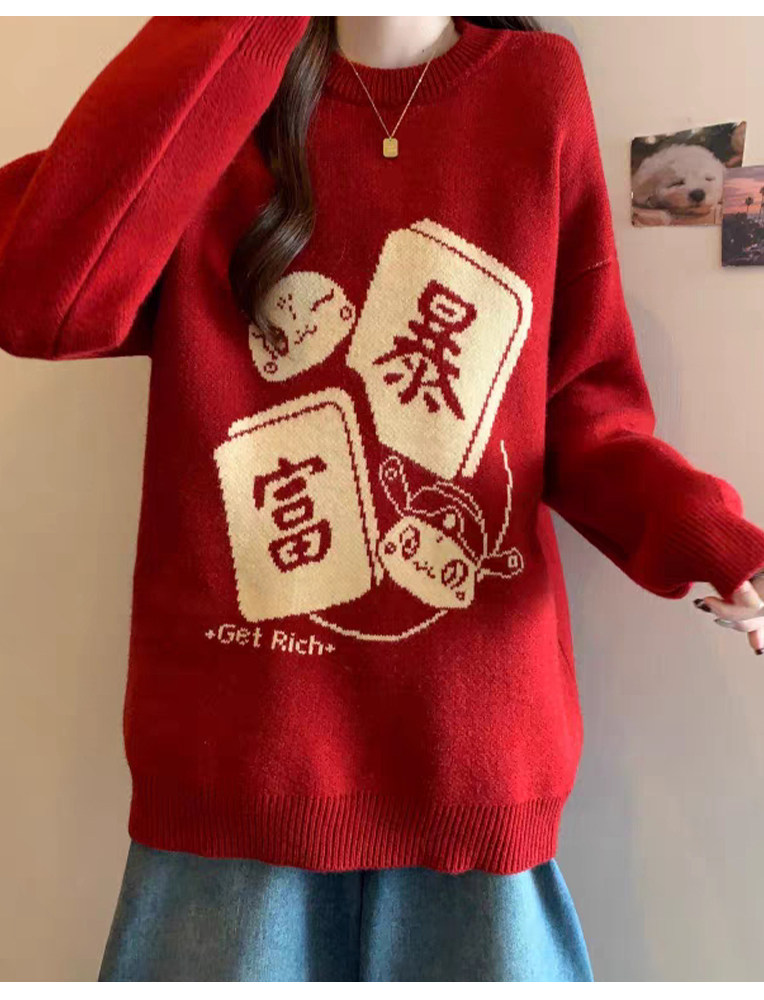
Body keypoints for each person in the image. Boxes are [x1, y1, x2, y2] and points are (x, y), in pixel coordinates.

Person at [1, 15, 763, 983]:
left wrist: (715, 540)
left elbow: (578, 409)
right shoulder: (222, 81)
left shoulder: (535, 88)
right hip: (238, 751)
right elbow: (41, 301)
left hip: (469, 748)